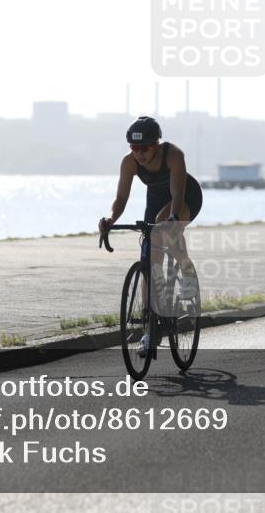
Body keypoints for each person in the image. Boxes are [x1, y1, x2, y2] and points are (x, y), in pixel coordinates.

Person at [98, 116, 202, 357]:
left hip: (184, 197)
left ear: (156, 144)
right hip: (155, 200)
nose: (139, 154)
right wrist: (111, 219)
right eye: (134, 148)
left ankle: (186, 270)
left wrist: (173, 219)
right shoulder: (129, 162)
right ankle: (150, 329)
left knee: (165, 225)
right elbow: (121, 198)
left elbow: (177, 194)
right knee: (149, 263)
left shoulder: (173, 155)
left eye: (144, 148)